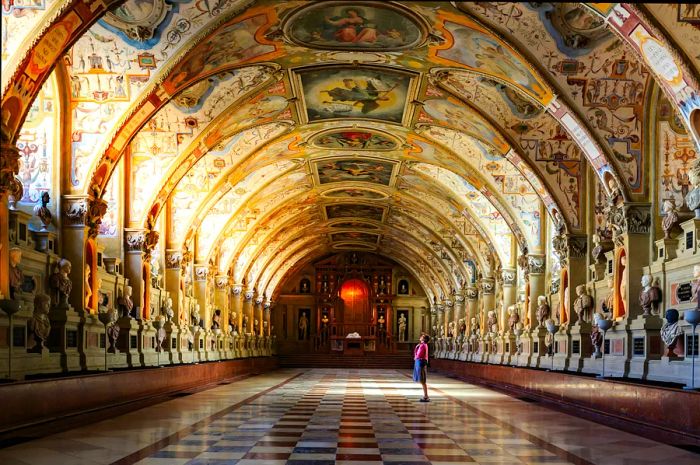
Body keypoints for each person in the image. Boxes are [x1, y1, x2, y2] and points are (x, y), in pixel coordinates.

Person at [413, 334, 430, 402]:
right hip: (421, 362)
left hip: (421, 362)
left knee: (423, 380)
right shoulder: (423, 345)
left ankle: (426, 396)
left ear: (424, 339)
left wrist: (416, 356)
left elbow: (419, 354)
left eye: (422, 337)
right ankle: (425, 395)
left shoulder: (423, 345)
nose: (420, 337)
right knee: (422, 380)